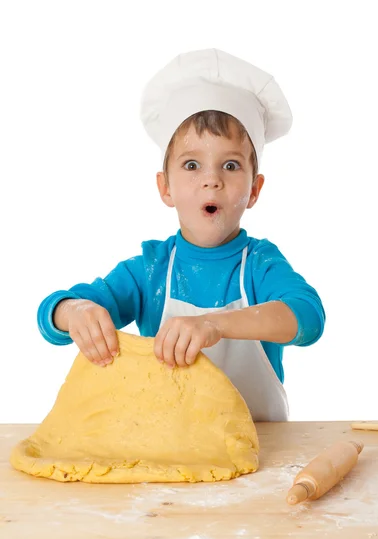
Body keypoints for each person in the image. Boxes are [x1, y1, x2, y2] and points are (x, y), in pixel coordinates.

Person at [37, 48, 325, 422]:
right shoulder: (149, 271)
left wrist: (215, 325)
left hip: (261, 451)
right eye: (192, 164)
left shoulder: (260, 265)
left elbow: (307, 318)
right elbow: (52, 317)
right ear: (165, 187)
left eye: (231, 165)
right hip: (169, 453)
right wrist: (73, 311)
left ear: (254, 190)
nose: (212, 178)